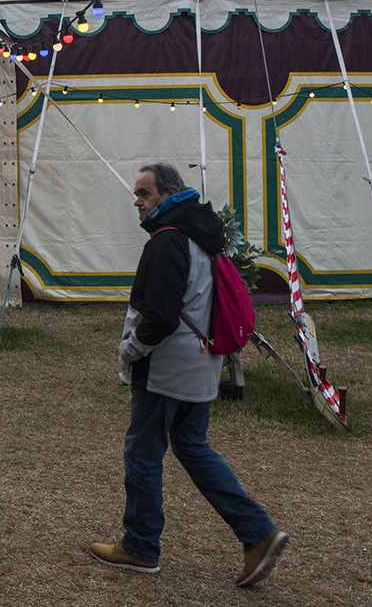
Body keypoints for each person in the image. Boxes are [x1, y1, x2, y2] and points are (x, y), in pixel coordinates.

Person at [89, 163, 289, 588]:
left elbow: (158, 315)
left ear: (168, 194)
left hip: (167, 366)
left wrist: (131, 349)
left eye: (144, 193)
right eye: (136, 195)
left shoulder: (167, 241)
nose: (138, 203)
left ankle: (140, 546)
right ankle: (257, 532)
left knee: (143, 453)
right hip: (201, 362)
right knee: (193, 447)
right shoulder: (203, 236)